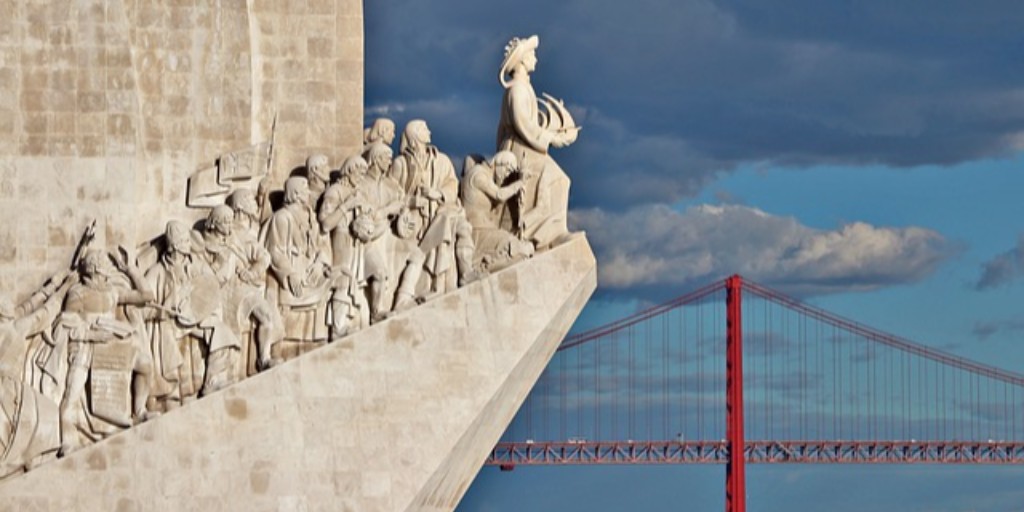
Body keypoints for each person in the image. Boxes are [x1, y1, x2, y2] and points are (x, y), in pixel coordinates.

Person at [58, 248, 156, 455]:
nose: (107, 274)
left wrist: (130, 270)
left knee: (145, 365)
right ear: (93, 270)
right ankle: (68, 441)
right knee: (71, 396)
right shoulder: (78, 293)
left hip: (112, 344)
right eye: (103, 269)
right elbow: (66, 326)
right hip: (87, 347)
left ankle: (139, 411)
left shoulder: (111, 291)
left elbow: (147, 296)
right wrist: (92, 335)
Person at [496, 34, 579, 250]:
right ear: (522, 60)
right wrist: (553, 138)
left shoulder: (523, 88)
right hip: (521, 151)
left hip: (527, 147)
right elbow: (523, 125)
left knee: (560, 180)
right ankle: (543, 234)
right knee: (559, 179)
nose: (536, 59)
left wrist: (553, 130)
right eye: (532, 55)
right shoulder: (516, 89)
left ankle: (551, 232)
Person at [391, 120, 481, 294]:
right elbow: (392, 194)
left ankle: (466, 271)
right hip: (416, 220)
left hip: (440, 213)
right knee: (444, 225)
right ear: (415, 135)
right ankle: (428, 288)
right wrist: (412, 202)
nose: (429, 131)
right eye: (424, 129)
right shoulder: (400, 164)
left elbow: (452, 184)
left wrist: (438, 193)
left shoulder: (441, 160)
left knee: (459, 225)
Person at [196, 206, 283, 374]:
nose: (230, 225)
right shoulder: (205, 245)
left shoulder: (235, 238)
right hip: (222, 294)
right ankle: (219, 375)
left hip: (242, 286)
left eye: (230, 221)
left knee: (266, 315)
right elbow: (204, 276)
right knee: (227, 332)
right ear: (214, 223)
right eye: (226, 222)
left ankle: (264, 359)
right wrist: (219, 263)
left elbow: (263, 256)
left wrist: (251, 272)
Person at [265, 177, 331, 347]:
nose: (309, 192)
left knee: (338, 280)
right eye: (305, 188)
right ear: (295, 193)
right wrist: (290, 273)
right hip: (294, 270)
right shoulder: (282, 217)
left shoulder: (311, 218)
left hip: (311, 270)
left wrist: (320, 263)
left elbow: (321, 245)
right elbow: (275, 251)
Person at [460, 151, 534, 271]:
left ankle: (487, 265)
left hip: (486, 229)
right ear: (500, 165)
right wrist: (520, 182)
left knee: (525, 248)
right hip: (477, 231)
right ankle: (482, 267)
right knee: (517, 248)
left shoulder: (488, 178)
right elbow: (499, 195)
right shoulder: (478, 174)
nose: (506, 175)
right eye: (508, 170)